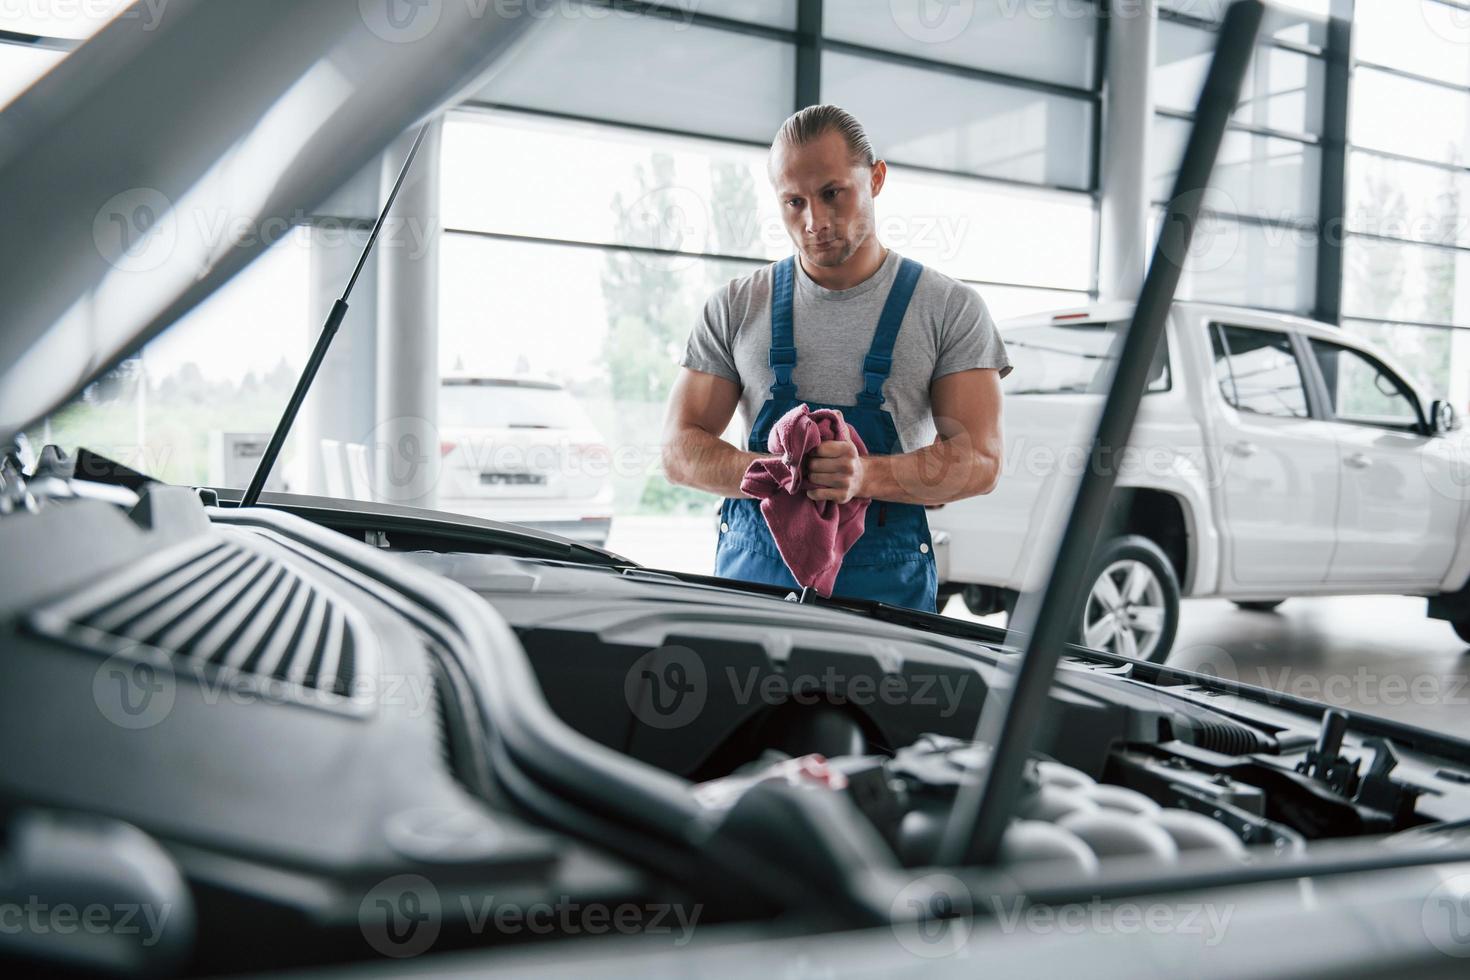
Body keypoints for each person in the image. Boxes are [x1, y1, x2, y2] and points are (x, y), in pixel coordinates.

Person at [661, 104, 1009, 613]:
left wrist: (864, 477)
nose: (815, 221)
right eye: (794, 202)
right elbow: (677, 451)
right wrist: (776, 474)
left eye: (832, 194)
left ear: (876, 177)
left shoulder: (949, 309)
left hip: (885, 596)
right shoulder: (735, 305)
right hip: (754, 591)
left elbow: (980, 460)